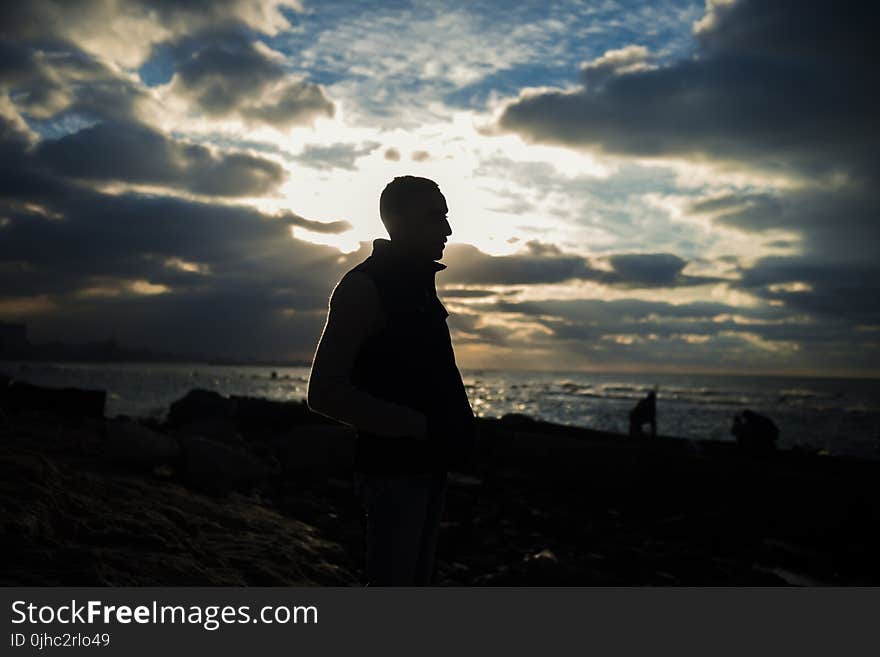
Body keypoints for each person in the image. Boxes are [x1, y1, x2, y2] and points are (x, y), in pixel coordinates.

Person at [306, 176, 476, 586]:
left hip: (428, 466)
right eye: (435, 218)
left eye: (447, 217)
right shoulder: (364, 287)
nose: (448, 230)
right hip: (393, 472)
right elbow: (324, 391)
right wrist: (416, 427)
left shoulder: (418, 286)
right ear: (396, 222)